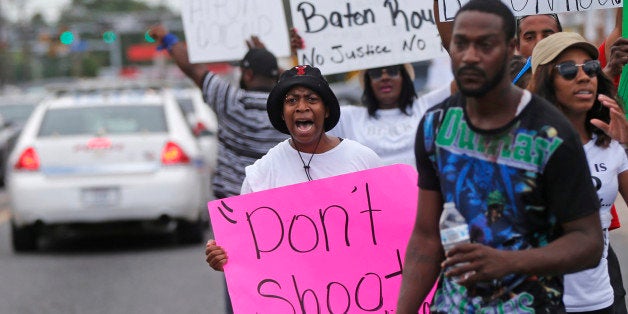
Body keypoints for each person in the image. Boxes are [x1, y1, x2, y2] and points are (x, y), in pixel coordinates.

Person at [397, 0, 603, 312]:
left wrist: (509, 262)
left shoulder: (551, 133)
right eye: (461, 44)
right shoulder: (436, 125)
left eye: (485, 45)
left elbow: (588, 242)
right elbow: (426, 238)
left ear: (511, 50)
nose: (470, 56)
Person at [148, 25, 287, 314]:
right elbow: (302, 82)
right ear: (275, 77)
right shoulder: (287, 108)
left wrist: (169, 40)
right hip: (282, 212)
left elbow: (193, 68)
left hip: (234, 213)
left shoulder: (230, 101)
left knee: (239, 283)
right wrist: (271, 59)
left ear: (247, 75)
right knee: (286, 280)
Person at [205, 64, 381, 265]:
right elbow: (246, 249)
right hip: (296, 293)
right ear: (282, 113)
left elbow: (388, 227)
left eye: (312, 99)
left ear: (326, 111)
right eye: (292, 100)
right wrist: (224, 258)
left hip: (357, 285)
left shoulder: (364, 160)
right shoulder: (261, 174)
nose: (302, 107)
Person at [529, 31, 628, 314]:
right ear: (546, 81)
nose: (584, 76)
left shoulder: (610, 144)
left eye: (591, 67)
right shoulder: (524, 148)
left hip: (603, 300)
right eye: (568, 69)